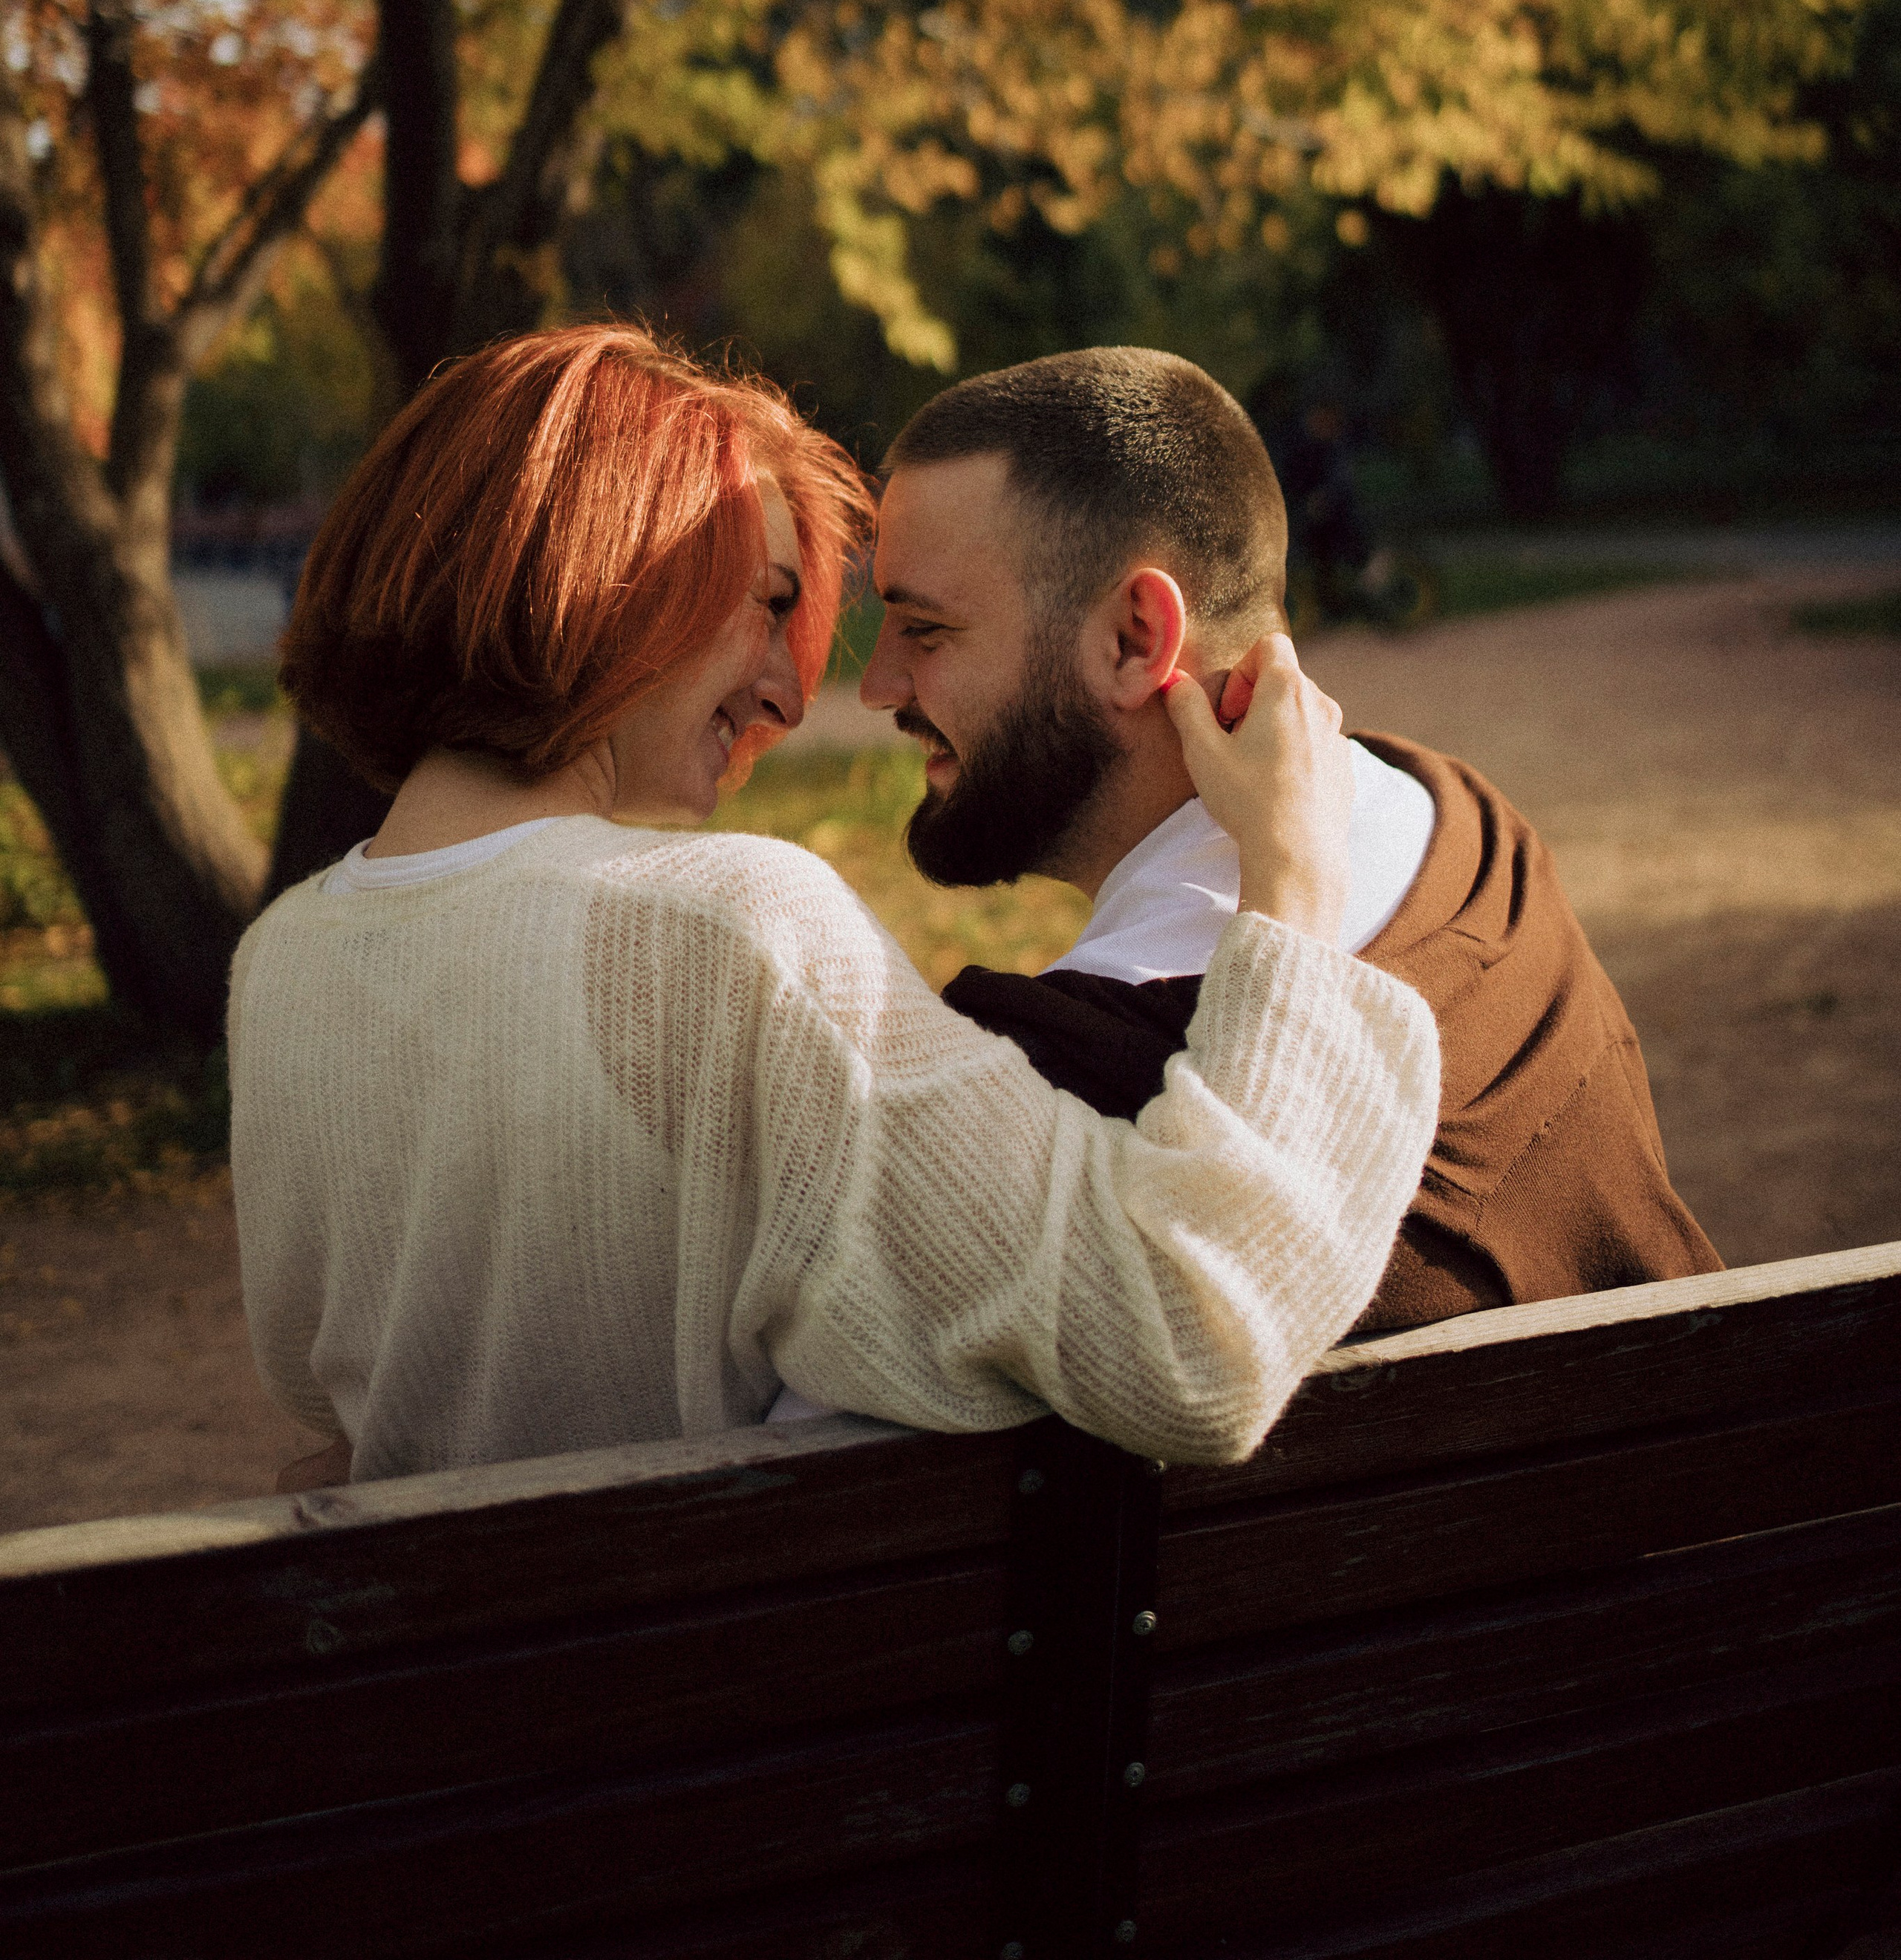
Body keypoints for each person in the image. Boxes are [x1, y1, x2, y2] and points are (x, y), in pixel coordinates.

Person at [232, 326, 1439, 1488]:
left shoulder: (281, 962)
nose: (785, 695)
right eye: (769, 604)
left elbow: (323, 1392)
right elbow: (1187, 1344)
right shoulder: (727, 933)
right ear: (606, 572)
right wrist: (1291, 878)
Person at [860, 346, 1721, 1335]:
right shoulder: (1474, 837)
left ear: (1137, 638)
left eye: (924, 631)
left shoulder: (1058, 1090)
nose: (878, 686)